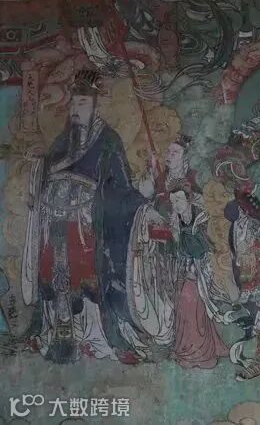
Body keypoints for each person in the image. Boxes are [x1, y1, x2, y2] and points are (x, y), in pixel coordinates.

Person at [20, 71, 148, 364]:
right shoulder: (62, 141)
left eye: (82, 104)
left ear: (94, 106)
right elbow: (45, 177)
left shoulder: (108, 140)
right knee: (53, 275)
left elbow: (121, 187)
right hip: (53, 222)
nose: (76, 110)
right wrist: (38, 175)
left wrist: (142, 196)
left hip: (88, 225)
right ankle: (57, 333)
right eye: (73, 104)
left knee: (86, 277)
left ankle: (94, 336)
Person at [132, 137, 230, 369]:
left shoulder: (194, 178)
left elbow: (206, 207)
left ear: (185, 156)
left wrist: (185, 211)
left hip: (187, 246)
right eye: (168, 152)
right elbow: (145, 196)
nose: (169, 155)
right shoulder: (160, 177)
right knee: (162, 295)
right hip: (161, 248)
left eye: (175, 152)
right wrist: (151, 172)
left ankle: (193, 348)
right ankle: (166, 341)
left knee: (188, 297)